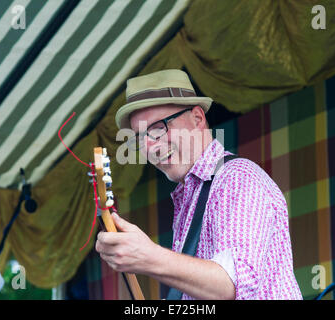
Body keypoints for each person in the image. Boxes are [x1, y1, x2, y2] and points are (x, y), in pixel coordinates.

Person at [95, 69, 302, 300]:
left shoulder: (237, 177)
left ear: (197, 118)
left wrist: (148, 256)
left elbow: (231, 284)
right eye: (140, 137)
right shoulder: (189, 198)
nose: (151, 147)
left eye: (158, 128)